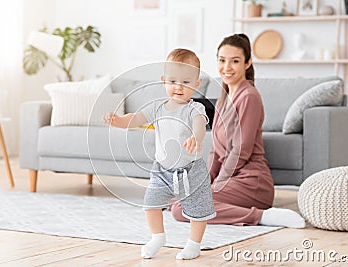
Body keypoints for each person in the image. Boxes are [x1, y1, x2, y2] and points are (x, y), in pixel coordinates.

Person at [170, 34, 305, 229]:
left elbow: (241, 150)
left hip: (251, 182)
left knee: (182, 207)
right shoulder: (224, 97)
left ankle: (261, 217)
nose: (227, 67)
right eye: (222, 60)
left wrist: (218, 184)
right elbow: (216, 151)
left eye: (235, 61)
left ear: (247, 63)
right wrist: (205, 182)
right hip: (231, 179)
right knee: (177, 200)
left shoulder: (249, 96)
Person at [102, 48, 216, 260]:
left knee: (198, 210)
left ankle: (194, 244)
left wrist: (196, 138)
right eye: (173, 81)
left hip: (191, 172)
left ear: (197, 84)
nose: (178, 87)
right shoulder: (156, 107)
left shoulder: (195, 109)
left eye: (186, 82)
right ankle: (157, 237)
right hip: (162, 171)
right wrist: (118, 121)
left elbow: (199, 125)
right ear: (163, 81)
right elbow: (135, 118)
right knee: (151, 204)